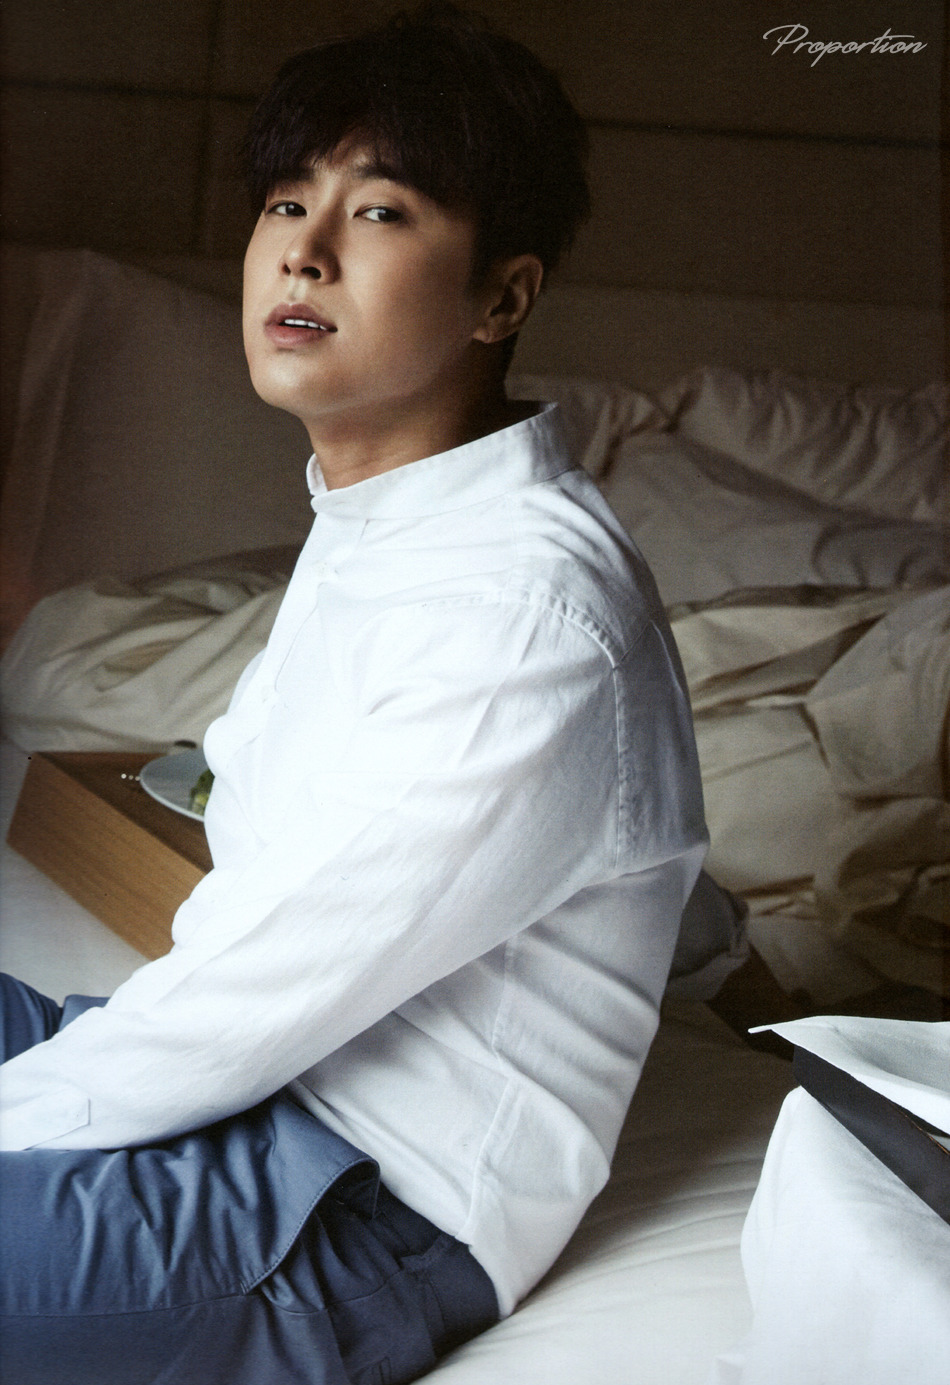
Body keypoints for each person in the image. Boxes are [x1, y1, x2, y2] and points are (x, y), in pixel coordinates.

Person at [0, 7, 710, 1382]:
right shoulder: (389, 516)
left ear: (502, 298)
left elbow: (259, 990)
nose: (303, 249)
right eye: (286, 200)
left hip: (363, 1203)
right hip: (253, 1088)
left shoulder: (525, 614)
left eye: (378, 210)